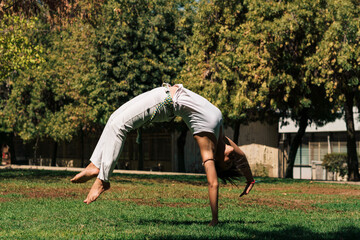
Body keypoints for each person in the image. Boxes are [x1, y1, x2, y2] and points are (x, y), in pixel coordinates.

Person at [71, 83, 255, 226]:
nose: (232, 159)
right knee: (114, 119)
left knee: (120, 126)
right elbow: (242, 157)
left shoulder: (207, 143)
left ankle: (103, 179)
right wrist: (250, 180)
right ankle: (95, 165)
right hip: (163, 92)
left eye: (227, 164)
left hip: (165, 104)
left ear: (215, 161)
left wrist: (215, 219)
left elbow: (213, 183)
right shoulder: (221, 136)